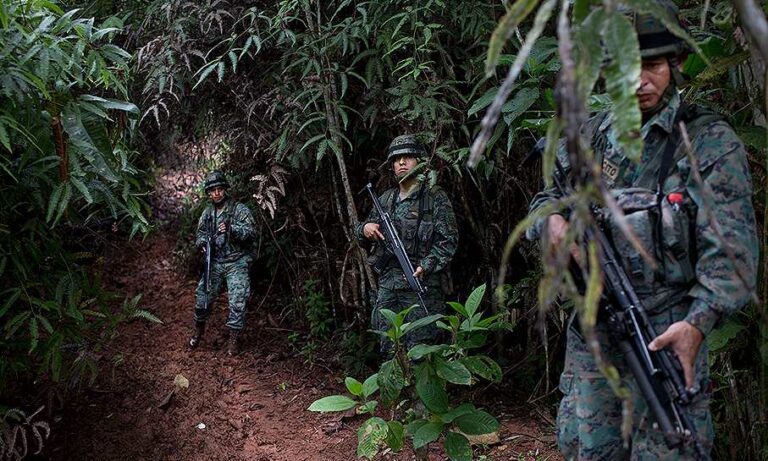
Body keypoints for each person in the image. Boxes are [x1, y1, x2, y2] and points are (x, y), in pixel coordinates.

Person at [526, 3, 758, 459]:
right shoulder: (589, 137)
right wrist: (550, 223)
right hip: (593, 339)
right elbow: (547, 200)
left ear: (676, 63)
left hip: (668, 336)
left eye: (650, 66)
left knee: (671, 448)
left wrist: (696, 325)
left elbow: (732, 255)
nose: (638, 81)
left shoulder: (707, 142)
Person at [357, 134, 458, 356]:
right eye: (396, 159)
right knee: (388, 349)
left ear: (420, 162)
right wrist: (365, 230)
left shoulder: (434, 198)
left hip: (420, 286)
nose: (401, 163)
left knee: (422, 352)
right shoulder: (385, 199)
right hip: (388, 288)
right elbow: (361, 233)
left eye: (407, 157)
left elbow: (448, 241)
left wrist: (426, 265)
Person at [189, 171, 257, 355]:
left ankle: (233, 340)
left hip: (236, 261)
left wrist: (231, 229)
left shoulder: (239, 209)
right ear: (209, 193)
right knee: (203, 298)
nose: (217, 193)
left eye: (220, 189)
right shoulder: (208, 213)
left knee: (237, 300)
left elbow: (251, 232)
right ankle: (198, 331)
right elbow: (200, 234)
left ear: (225, 190)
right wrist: (203, 244)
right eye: (213, 190)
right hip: (216, 262)